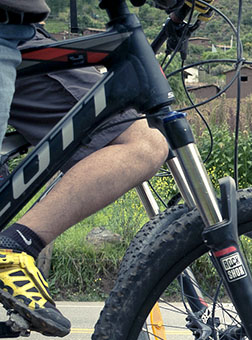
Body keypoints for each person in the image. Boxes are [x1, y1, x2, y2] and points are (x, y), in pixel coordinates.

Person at [0, 3, 169, 336]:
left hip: (20, 34)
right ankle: (11, 248)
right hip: (10, 37)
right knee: (142, 144)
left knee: (142, 142)